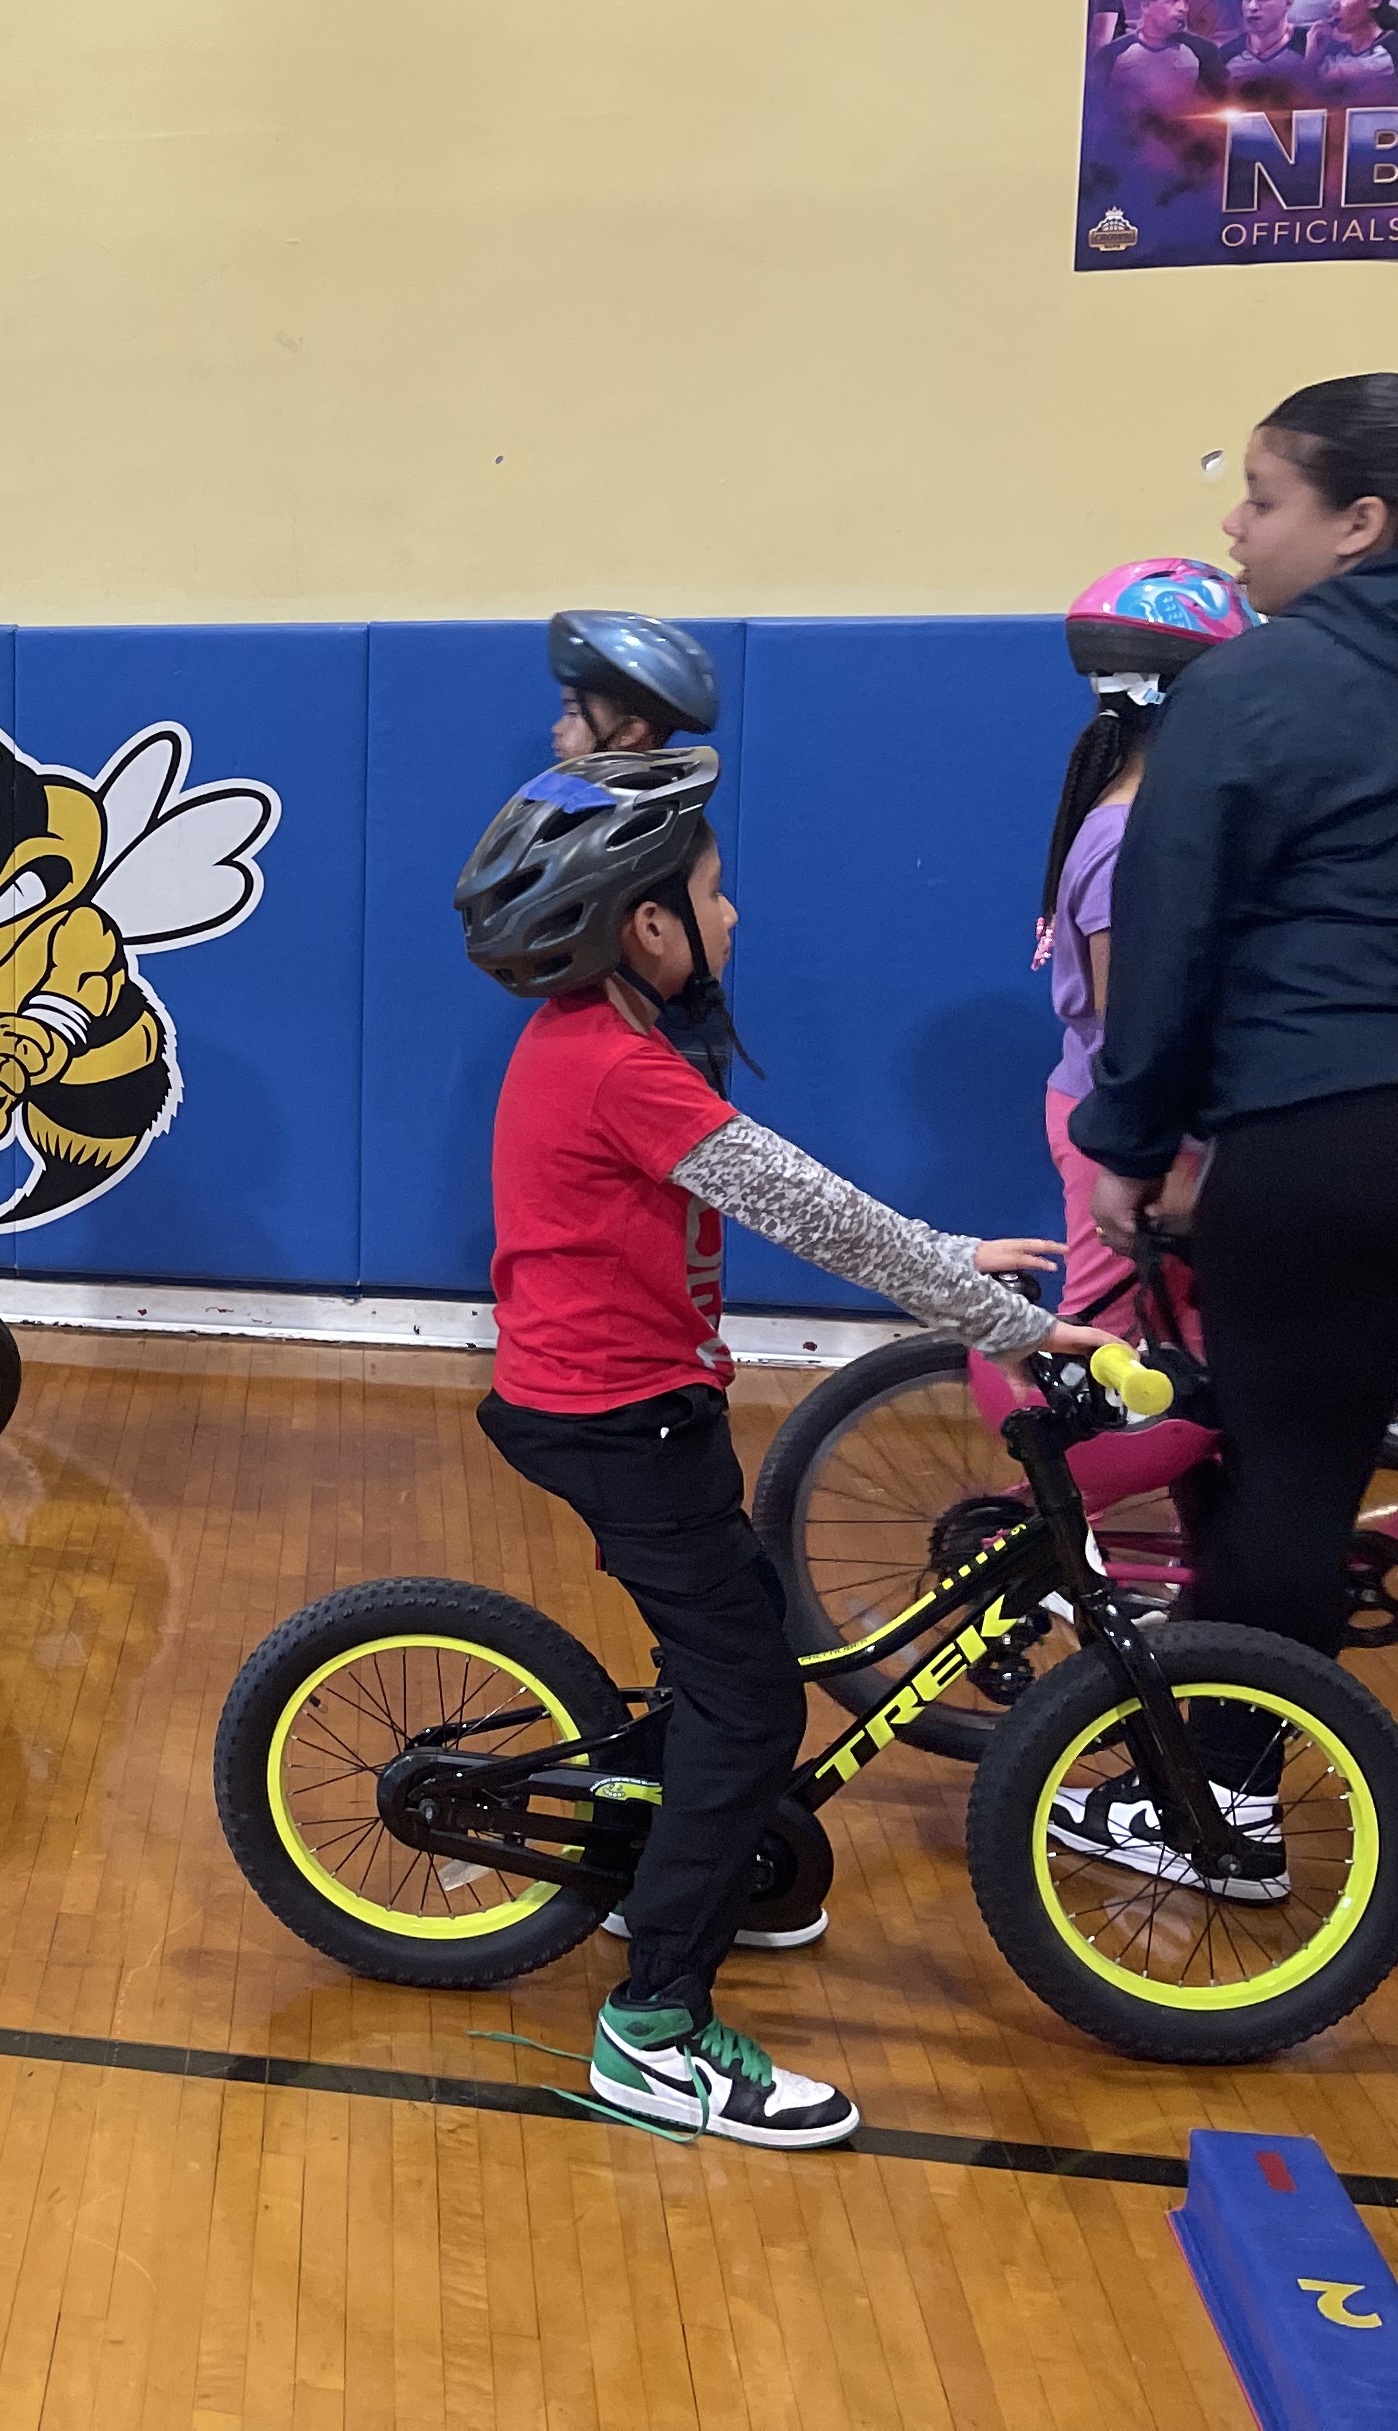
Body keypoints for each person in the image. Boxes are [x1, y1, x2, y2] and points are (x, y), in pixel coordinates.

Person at [454, 751, 1095, 2148]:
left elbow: (792, 1191)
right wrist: (1006, 1321)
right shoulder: (614, 1064)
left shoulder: (604, 1048)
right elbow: (818, 1216)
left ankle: (660, 1860)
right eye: (714, 893)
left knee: (732, 1645)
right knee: (753, 1706)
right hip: (617, 1421)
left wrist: (946, 1258)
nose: (734, 917)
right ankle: (656, 2033)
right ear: (646, 928)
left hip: (628, 1406)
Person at [1078, 376, 1398, 1742]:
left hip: (1329, 1139)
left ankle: (1219, 1815)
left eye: (1264, 496)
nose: (1234, 525)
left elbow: (1171, 942)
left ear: (1360, 521)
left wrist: (1132, 1141)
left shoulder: (1258, 684)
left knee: (1286, 1488)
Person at [1029, 562, 1257, 1530]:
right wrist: (1161, 1153)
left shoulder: (1139, 819)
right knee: (1117, 1367)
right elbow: (1136, 1032)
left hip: (1127, 1124)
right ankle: (1023, 1531)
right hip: (1125, 1137)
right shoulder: (1130, 841)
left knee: (1178, 1364)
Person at [546, 610, 719, 760]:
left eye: (573, 713)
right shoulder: (575, 794)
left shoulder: (616, 799)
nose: (557, 729)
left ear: (629, 732)